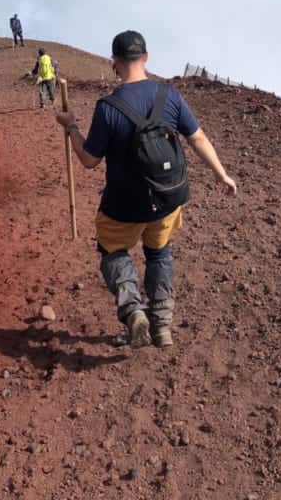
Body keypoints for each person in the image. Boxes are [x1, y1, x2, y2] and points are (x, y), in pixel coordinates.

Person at [55, 30, 237, 349]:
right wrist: (222, 174)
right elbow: (197, 138)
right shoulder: (169, 96)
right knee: (159, 251)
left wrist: (70, 126)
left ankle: (133, 310)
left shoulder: (108, 107)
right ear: (147, 57)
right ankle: (162, 322)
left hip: (123, 206)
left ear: (114, 61)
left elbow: (88, 160)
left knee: (113, 252)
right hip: (168, 199)